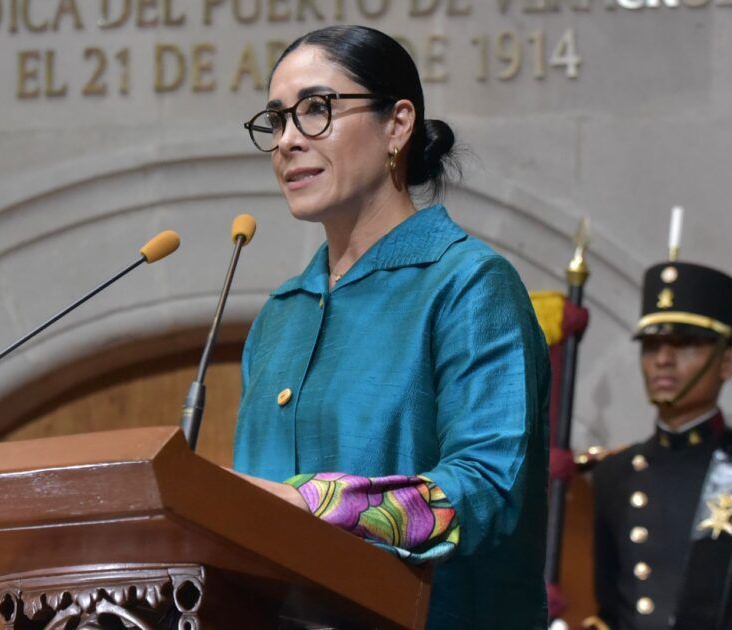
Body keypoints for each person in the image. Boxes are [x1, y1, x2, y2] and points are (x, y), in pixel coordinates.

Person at [231, 25, 551, 629]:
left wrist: (312, 504)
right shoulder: (281, 313)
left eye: (316, 111)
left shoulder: (468, 284)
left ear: (397, 125)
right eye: (276, 121)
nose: (288, 141)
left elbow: (484, 488)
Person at [584, 261, 732, 630]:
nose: (663, 360)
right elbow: (612, 612)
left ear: (728, 362)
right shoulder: (614, 473)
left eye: (685, 344)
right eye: (651, 346)